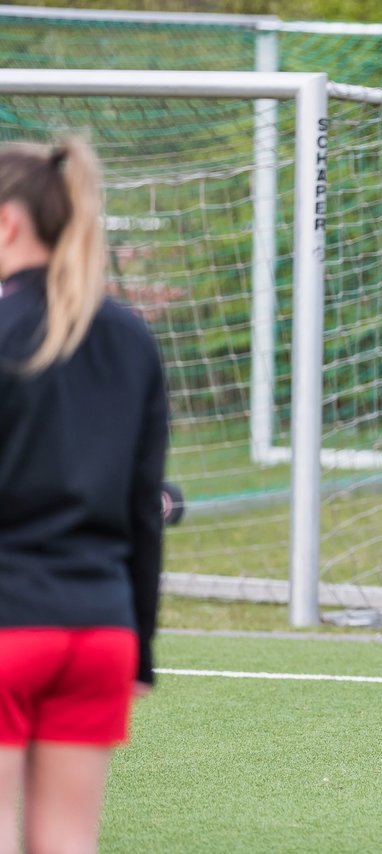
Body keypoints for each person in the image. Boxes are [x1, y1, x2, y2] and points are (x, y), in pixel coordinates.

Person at [0, 138, 169, 852]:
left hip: (9, 621)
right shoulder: (130, 337)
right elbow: (145, 510)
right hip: (99, 629)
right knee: (68, 841)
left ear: (9, 223)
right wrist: (138, 649)